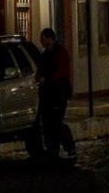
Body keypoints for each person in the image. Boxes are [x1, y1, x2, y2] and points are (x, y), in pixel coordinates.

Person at [35, 28, 76, 163]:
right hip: (46, 94)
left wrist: (49, 79)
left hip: (58, 93)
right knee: (47, 123)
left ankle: (69, 148)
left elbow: (63, 72)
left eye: (44, 39)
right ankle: (52, 151)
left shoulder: (61, 53)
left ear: (51, 38)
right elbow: (39, 70)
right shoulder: (45, 54)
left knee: (57, 122)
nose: (42, 42)